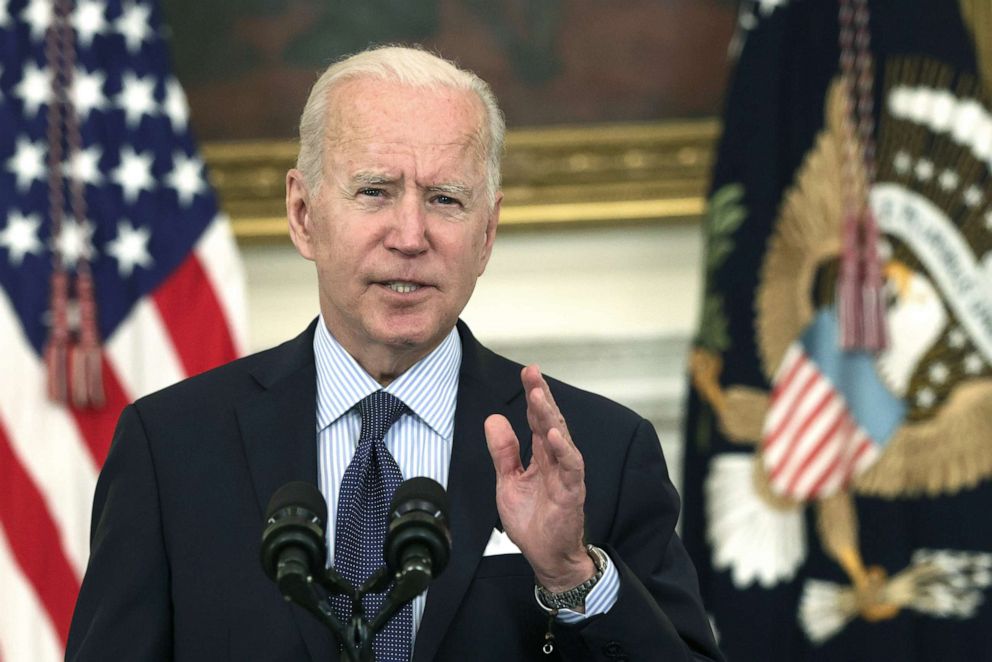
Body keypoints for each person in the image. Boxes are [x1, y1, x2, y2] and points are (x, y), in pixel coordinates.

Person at [66, 46, 723, 662]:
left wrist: (573, 576)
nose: (410, 237)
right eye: (375, 191)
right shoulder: (172, 448)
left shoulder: (598, 453)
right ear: (302, 214)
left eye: (445, 199)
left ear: (487, 232)